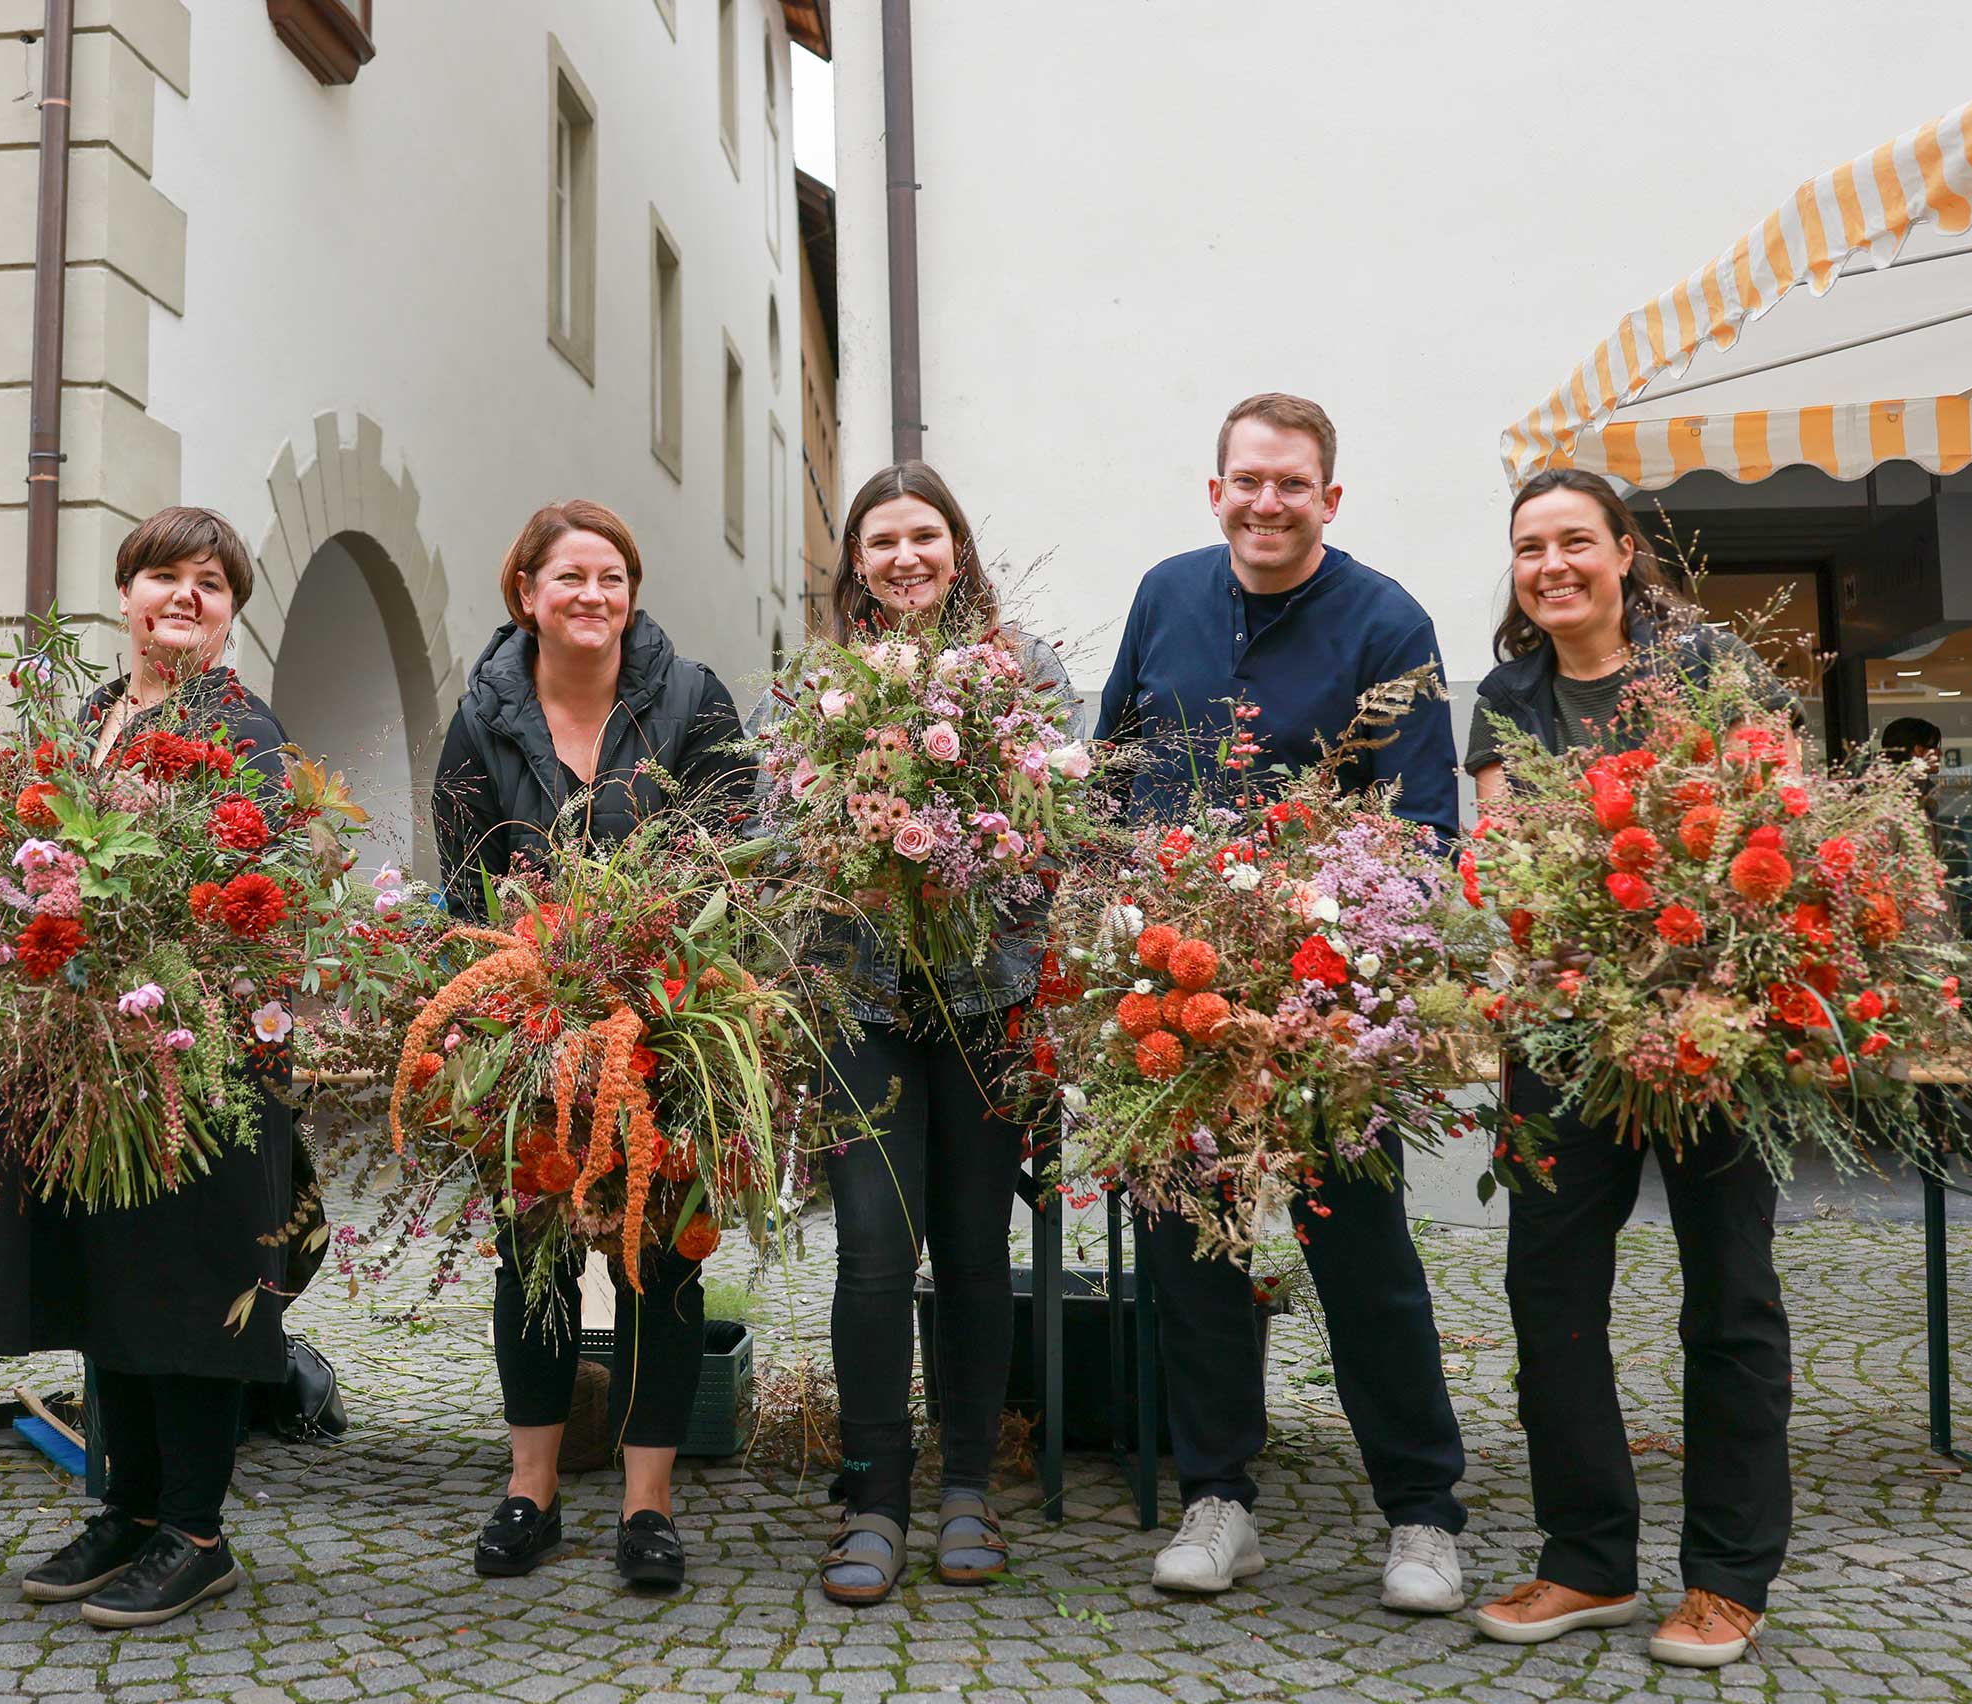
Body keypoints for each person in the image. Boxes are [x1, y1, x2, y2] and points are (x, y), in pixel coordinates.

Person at [1093, 392, 1471, 1614]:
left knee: (1361, 1258)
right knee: (1188, 1255)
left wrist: (1330, 945)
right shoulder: (1163, 595)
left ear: (1328, 498)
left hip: (1320, 1004)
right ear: (1215, 492)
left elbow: (1422, 831)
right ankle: (1217, 1499)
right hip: (1172, 993)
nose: (1266, 503)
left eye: (1290, 483)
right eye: (1246, 481)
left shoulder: (1386, 622)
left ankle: (1421, 1513)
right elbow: (1109, 776)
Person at [0, 506, 298, 1629]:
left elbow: (247, 891)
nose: (185, 597)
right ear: (125, 595)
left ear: (230, 613)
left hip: (195, 1058)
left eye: (210, 583)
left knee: (188, 1290)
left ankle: (195, 1532)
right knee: (110, 1283)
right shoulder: (91, 718)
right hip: (87, 1053)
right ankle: (127, 1510)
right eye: (164, 576)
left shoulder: (243, 730)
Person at [1460, 468, 1793, 1670]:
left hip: (1707, 1024)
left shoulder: (1704, 669)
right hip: (1560, 1033)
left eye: (1572, 542)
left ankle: (1727, 1578)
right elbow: (1504, 861)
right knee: (1547, 1293)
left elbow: (1779, 815)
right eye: (1528, 548)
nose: (1550, 566)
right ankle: (1586, 1558)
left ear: (1619, 553)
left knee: (1728, 1296)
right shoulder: (1506, 697)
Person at [431, 500, 754, 1591]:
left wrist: (663, 989)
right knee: (535, 1248)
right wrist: (512, 1000)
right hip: (527, 1022)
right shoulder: (482, 716)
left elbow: (726, 861)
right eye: (569, 576)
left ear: (631, 593)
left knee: (663, 1247)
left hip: (668, 1020)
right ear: (525, 592)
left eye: (610, 576)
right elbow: (466, 885)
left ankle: (647, 1501)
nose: (591, 595)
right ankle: (531, 1488)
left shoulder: (693, 699)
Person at [793, 463, 1076, 1605]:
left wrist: (981, 839)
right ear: (856, 565)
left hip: (987, 1000)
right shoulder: (818, 684)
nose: (904, 558)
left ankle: (966, 1488)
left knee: (970, 1247)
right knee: (872, 1247)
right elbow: (775, 828)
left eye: (923, 537)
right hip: (861, 1003)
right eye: (881, 542)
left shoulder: (1026, 672)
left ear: (956, 548)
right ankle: (873, 1499)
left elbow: (1064, 823)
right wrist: (852, 841)